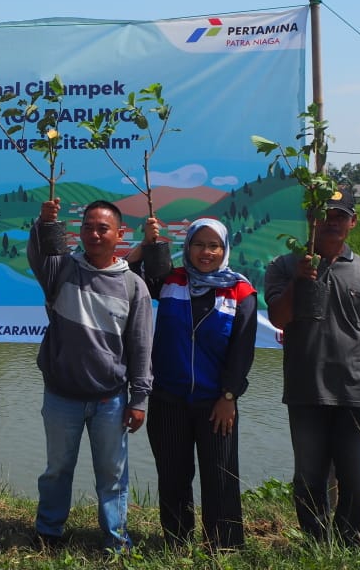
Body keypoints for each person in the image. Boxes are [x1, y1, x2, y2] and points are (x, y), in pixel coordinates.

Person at [264, 186, 360, 545]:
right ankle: (315, 547)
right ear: (311, 220)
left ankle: (350, 549)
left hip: (359, 392)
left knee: (359, 483)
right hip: (306, 390)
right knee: (308, 480)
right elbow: (279, 318)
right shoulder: (283, 266)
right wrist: (299, 281)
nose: (332, 222)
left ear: (353, 222)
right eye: (324, 215)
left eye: (341, 216)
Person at [25, 198, 152, 551]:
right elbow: (38, 254)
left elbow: (141, 348)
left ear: (120, 234)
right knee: (56, 471)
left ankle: (115, 540)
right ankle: (48, 532)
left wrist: (139, 399)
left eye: (103, 228)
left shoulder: (133, 287)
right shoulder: (62, 270)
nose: (94, 234)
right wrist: (43, 222)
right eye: (87, 227)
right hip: (61, 395)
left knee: (112, 476)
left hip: (110, 399)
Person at [136, 217, 257, 550]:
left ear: (225, 249)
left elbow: (242, 352)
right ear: (187, 247)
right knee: (173, 476)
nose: (206, 252)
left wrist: (229, 396)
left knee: (220, 477)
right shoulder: (169, 281)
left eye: (213, 245)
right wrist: (148, 244)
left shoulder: (240, 291)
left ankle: (225, 547)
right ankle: (177, 543)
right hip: (168, 398)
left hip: (216, 402)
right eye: (199, 244)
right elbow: (126, 274)